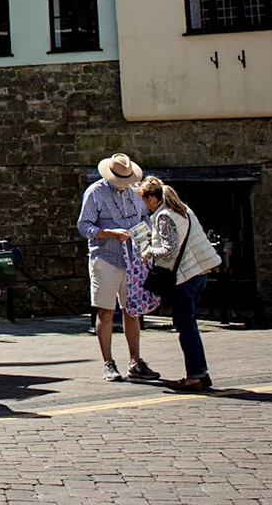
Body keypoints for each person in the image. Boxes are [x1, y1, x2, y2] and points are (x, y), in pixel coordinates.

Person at [77, 152, 159, 382]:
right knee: (104, 309)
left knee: (132, 309)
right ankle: (108, 363)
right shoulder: (95, 193)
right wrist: (108, 233)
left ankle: (135, 361)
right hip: (106, 258)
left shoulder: (134, 190)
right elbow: (84, 226)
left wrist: (146, 236)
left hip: (133, 258)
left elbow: (145, 218)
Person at [136, 176, 223, 391]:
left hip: (184, 276)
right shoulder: (184, 210)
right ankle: (201, 372)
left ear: (153, 198)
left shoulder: (164, 216)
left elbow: (170, 250)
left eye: (145, 199)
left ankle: (194, 375)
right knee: (190, 325)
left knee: (185, 327)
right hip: (199, 271)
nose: (145, 205)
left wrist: (149, 251)